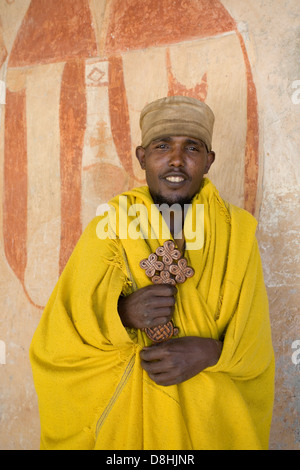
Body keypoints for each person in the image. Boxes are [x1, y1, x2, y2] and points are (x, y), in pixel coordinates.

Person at [30, 96, 275, 450]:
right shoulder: (110, 227)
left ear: (208, 161)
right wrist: (122, 314)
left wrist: (211, 354)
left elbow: (256, 346)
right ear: (142, 157)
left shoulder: (236, 233)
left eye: (191, 147)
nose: (176, 159)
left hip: (209, 423)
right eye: (163, 146)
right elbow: (55, 341)